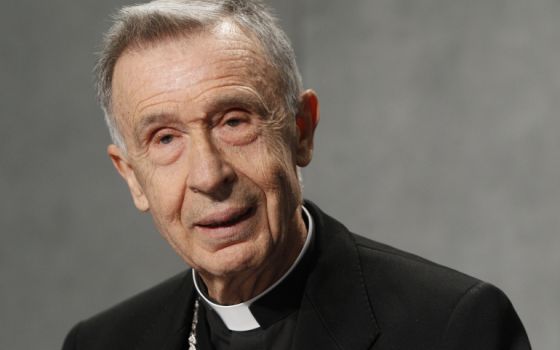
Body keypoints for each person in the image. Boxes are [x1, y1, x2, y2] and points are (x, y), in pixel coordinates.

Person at [63, 0, 531, 349]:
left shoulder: (453, 327)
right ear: (131, 176)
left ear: (301, 130)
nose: (208, 175)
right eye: (165, 139)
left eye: (234, 121)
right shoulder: (100, 343)